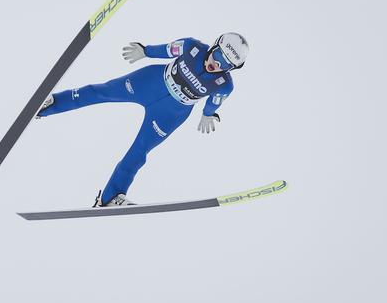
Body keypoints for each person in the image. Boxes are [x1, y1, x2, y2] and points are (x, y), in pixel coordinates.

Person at [36, 32, 249, 207]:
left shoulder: (224, 84)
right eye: (218, 55)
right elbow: (167, 49)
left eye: (226, 64)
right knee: (101, 92)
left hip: (172, 112)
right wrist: (145, 51)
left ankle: (111, 197)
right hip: (149, 82)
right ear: (214, 46)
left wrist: (207, 114)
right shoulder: (192, 47)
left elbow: (215, 101)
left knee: (139, 152)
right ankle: (50, 104)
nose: (217, 64)